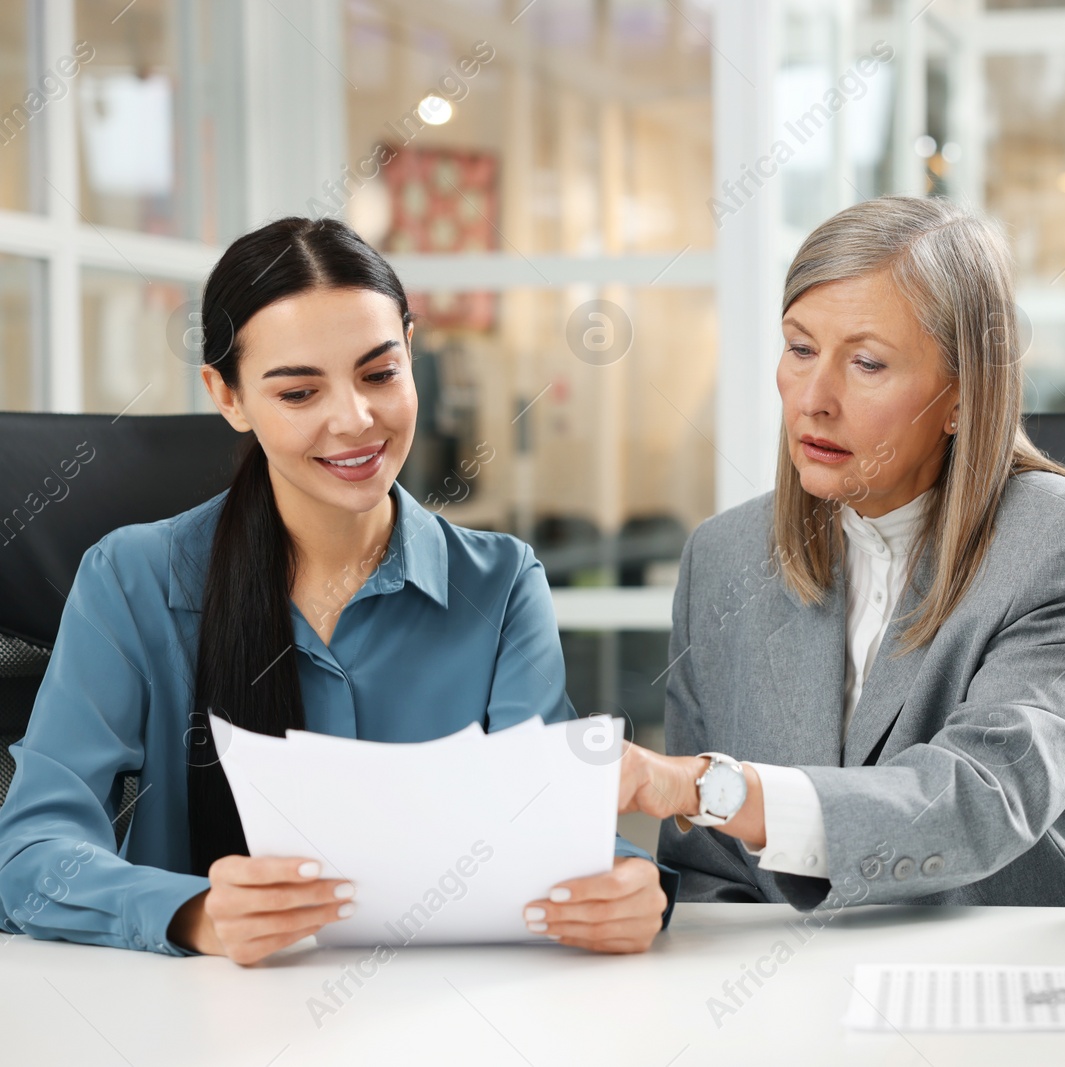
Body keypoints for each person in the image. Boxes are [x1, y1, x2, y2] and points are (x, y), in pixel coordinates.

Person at [0, 217, 675, 963]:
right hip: (207, 1017)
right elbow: (30, 854)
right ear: (227, 397)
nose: (354, 421)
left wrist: (631, 880)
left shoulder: (502, 584)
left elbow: (546, 819)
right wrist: (195, 913)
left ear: (411, 354)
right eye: (298, 392)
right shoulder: (133, 580)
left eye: (380, 374)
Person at [619, 195, 1065, 910]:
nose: (814, 398)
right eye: (800, 348)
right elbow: (712, 872)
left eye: (866, 362)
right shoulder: (725, 555)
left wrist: (709, 786)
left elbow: (979, 797)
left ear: (962, 395)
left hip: (1016, 971)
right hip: (794, 995)